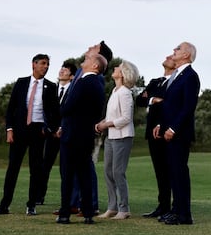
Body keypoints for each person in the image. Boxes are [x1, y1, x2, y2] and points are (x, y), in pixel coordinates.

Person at [0, 54, 60, 216]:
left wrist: (48, 129)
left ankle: (31, 205)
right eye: (43, 63)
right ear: (33, 65)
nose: (46, 67)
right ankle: (4, 205)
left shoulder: (50, 87)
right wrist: (9, 129)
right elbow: (11, 109)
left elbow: (56, 113)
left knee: (36, 169)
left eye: (48, 64)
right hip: (19, 131)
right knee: (12, 168)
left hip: (38, 132)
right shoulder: (21, 83)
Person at [56, 53, 108, 225]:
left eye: (87, 60)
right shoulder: (99, 85)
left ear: (95, 66)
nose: (84, 61)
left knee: (68, 175)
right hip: (86, 135)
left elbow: (67, 106)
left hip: (72, 134)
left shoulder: (83, 83)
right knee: (85, 174)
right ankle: (88, 213)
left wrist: (62, 110)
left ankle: (64, 213)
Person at [153, 42, 200, 225]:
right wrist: (161, 124)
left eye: (178, 49)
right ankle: (175, 210)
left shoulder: (190, 76)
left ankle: (184, 214)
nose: (174, 51)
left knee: (179, 172)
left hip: (179, 134)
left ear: (187, 55)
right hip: (168, 131)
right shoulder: (176, 76)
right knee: (172, 172)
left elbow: (188, 107)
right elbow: (169, 104)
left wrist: (173, 128)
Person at [96, 60, 139, 220]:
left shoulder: (125, 93)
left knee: (118, 172)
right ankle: (112, 207)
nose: (114, 68)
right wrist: (102, 123)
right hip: (111, 137)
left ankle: (124, 208)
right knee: (108, 171)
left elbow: (126, 118)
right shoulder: (115, 91)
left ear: (123, 73)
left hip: (123, 137)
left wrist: (107, 124)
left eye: (118, 68)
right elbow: (112, 115)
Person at [136, 55, 175, 218]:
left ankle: (173, 207)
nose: (167, 57)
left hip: (166, 131)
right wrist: (153, 99)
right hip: (151, 132)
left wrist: (156, 100)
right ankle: (163, 205)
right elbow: (140, 99)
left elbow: (170, 104)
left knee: (169, 170)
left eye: (171, 57)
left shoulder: (175, 82)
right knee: (159, 170)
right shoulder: (154, 82)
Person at [37, 61, 77, 206]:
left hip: (67, 133)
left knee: (65, 167)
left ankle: (67, 200)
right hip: (50, 134)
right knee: (45, 165)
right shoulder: (51, 89)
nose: (62, 71)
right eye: (61, 68)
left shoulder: (73, 91)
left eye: (66, 69)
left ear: (72, 76)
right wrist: (51, 129)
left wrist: (62, 128)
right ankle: (39, 196)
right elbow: (45, 111)